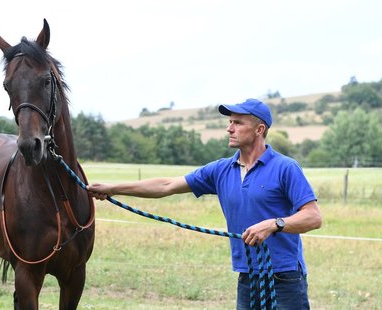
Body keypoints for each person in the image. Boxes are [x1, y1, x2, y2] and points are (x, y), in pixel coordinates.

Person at [86, 98, 322, 309]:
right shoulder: (220, 170)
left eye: (238, 123)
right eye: (230, 122)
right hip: (247, 276)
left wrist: (273, 224)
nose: (229, 128)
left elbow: (313, 217)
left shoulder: (285, 168)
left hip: (284, 277)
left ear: (259, 129)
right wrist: (113, 188)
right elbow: (166, 185)